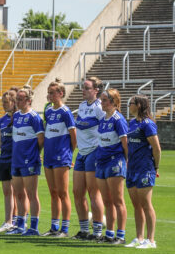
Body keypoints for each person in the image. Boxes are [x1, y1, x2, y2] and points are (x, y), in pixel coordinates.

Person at [72, 76, 107, 240]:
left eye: (86, 88)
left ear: (96, 90)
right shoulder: (81, 105)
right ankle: (84, 229)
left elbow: (105, 127)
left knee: (94, 193)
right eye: (83, 87)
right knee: (77, 192)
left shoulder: (100, 107)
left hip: (94, 151)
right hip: (81, 152)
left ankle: (97, 231)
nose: (83, 90)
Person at [6, 85, 44, 236]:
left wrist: (34, 153)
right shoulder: (16, 116)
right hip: (16, 160)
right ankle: (20, 225)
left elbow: (41, 139)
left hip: (30, 160)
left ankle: (33, 227)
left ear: (28, 101)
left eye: (21, 99)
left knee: (32, 194)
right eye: (17, 99)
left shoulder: (34, 117)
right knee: (19, 194)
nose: (17, 102)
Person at [125, 95, 161, 249]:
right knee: (136, 205)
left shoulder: (148, 124)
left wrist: (155, 167)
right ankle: (139, 237)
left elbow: (156, 148)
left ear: (138, 105)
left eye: (131, 103)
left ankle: (151, 240)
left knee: (146, 204)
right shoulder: (132, 123)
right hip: (132, 167)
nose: (129, 106)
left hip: (144, 168)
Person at [42, 79, 76, 237]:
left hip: (61, 156)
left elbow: (73, 136)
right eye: (48, 92)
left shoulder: (65, 112)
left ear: (61, 94)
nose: (49, 95)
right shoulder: (48, 111)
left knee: (63, 193)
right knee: (53, 192)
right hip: (48, 155)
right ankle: (54, 227)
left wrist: (69, 154)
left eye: (52, 92)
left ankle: (65, 228)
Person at [96, 88, 129, 244]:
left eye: (104, 100)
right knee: (106, 200)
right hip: (101, 162)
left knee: (118, 200)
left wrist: (128, 161)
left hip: (115, 161)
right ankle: (109, 233)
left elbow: (125, 144)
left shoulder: (118, 119)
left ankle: (120, 235)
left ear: (113, 102)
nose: (101, 103)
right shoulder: (103, 120)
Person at [0, 90, 17, 233]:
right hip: (5, 158)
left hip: (17, 158)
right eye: (3, 102)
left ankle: (18, 221)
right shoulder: (2, 120)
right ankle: (8, 221)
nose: (4, 105)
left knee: (18, 192)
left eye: (6, 102)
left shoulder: (19, 117)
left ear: (14, 102)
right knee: (7, 191)